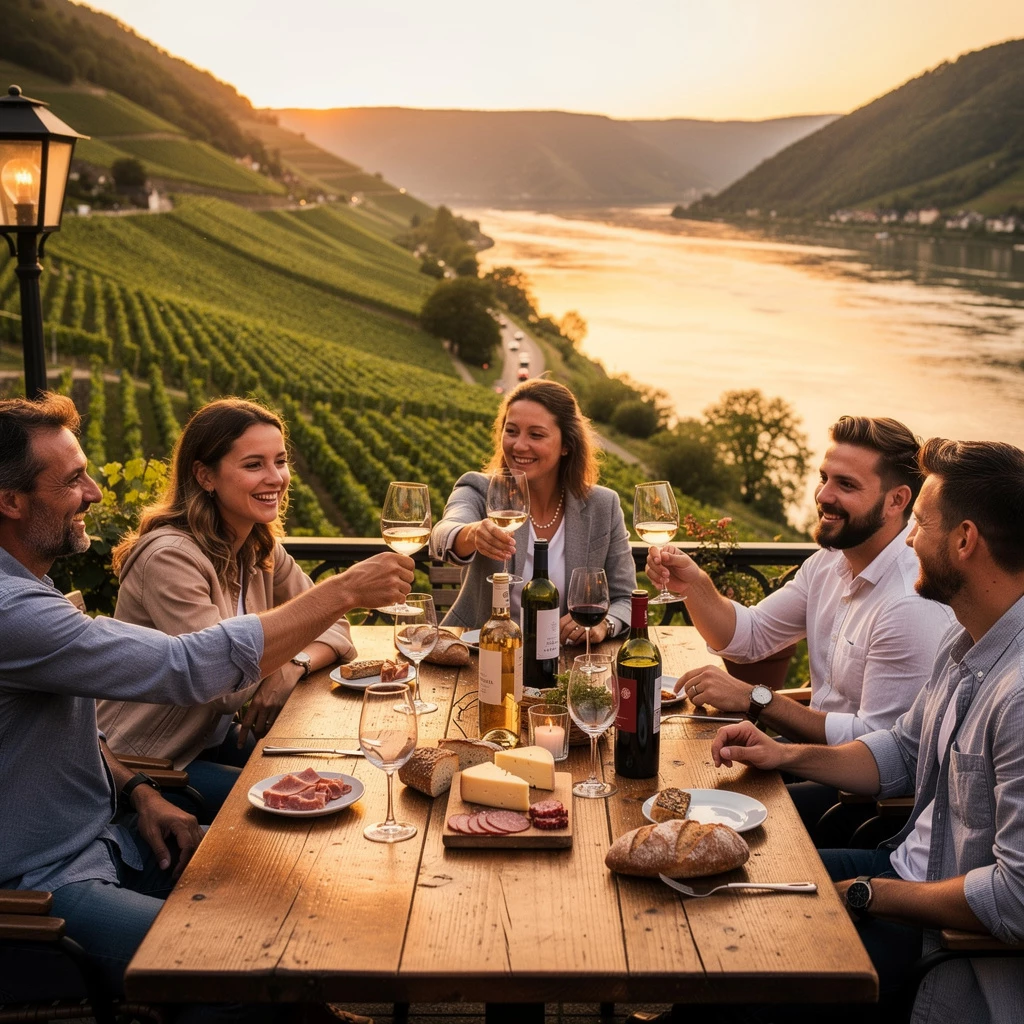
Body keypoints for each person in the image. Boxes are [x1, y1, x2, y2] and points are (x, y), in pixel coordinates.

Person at [0, 393, 414, 1004]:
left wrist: (138, 793)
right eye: (73, 480)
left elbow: (76, 731)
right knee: (237, 962)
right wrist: (343, 591)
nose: (93, 493)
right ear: (9, 501)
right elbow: (190, 668)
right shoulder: (14, 611)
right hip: (37, 894)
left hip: (112, 833)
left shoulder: (30, 588)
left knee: (286, 893)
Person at [698, 437, 1024, 1024]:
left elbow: (1014, 898)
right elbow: (901, 749)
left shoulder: (1019, 694)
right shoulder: (966, 640)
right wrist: (783, 753)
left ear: (965, 540)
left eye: (919, 522)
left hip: (942, 947)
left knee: (738, 952)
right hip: (902, 869)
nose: (909, 540)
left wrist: (870, 893)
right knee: (719, 886)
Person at [647, 416, 955, 835]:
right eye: (824, 478)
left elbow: (877, 744)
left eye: (846, 485)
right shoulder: (829, 563)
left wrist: (757, 699)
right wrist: (695, 585)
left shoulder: (908, 604)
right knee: (679, 782)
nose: (823, 496)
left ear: (896, 500)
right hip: (809, 757)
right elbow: (750, 638)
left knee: (704, 820)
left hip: (862, 801)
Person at [97, 399, 354, 814]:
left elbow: (335, 623)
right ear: (205, 476)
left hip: (209, 741)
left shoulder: (258, 546)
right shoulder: (169, 557)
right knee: (301, 806)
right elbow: (221, 684)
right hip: (144, 763)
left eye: (280, 461)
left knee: (335, 765)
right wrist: (295, 640)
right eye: (254, 465)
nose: (276, 478)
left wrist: (294, 665)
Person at [430, 378, 637, 642]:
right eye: (512, 431)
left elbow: (627, 599)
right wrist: (472, 534)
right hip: (480, 654)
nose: (518, 445)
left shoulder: (603, 505)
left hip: (566, 661)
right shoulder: (480, 488)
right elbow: (442, 533)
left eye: (536, 435)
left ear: (566, 445)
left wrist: (603, 624)